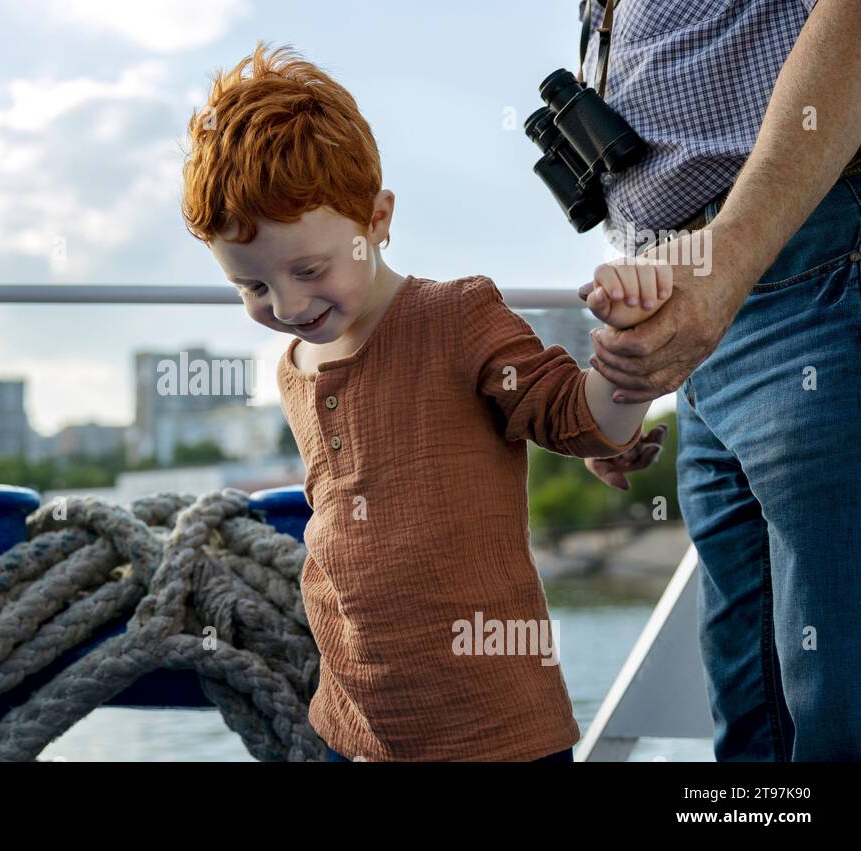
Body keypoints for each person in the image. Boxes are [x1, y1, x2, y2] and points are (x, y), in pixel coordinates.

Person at [179, 41, 667, 761]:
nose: (286, 303)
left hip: (497, 733)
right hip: (353, 726)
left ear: (376, 220)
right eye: (252, 287)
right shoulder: (293, 367)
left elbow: (578, 417)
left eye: (308, 268)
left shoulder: (456, 316)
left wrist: (626, 361)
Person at [573, 0, 861, 760]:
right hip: (714, 309)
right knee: (751, 735)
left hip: (808, 269)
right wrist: (631, 369)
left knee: (837, 725)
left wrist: (727, 259)